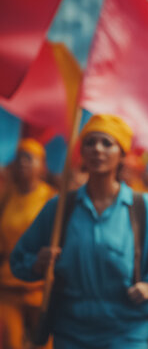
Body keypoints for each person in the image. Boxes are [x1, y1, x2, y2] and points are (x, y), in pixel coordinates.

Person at [10, 114, 148, 349]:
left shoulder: (142, 207)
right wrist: (38, 263)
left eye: (106, 143)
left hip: (127, 334)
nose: (97, 149)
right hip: (70, 334)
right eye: (90, 143)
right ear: (81, 152)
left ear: (122, 153)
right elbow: (19, 259)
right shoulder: (61, 207)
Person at [0, 139, 56, 349]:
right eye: (19, 157)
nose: (23, 162)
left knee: (44, 343)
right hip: (7, 284)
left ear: (42, 164)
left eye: (29, 157)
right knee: (10, 343)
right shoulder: (5, 197)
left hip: (41, 286)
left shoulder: (51, 198)